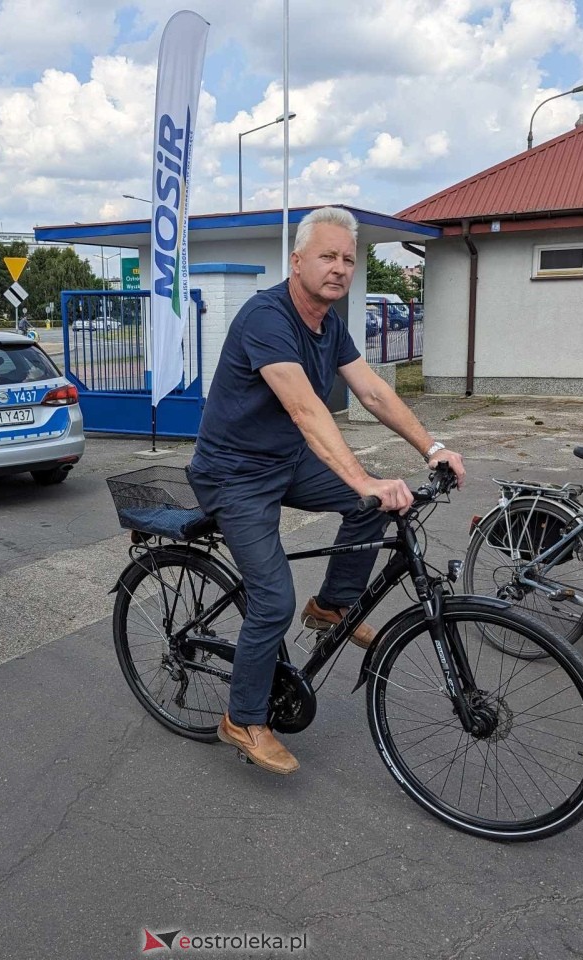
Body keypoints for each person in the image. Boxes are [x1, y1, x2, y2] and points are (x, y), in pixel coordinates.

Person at [187, 206, 466, 775]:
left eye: (347, 258)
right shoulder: (267, 317)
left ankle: (332, 606)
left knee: (372, 506)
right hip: (233, 473)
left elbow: (373, 393)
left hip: (283, 461)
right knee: (272, 599)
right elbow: (304, 408)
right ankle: (242, 718)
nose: (340, 268)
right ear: (296, 261)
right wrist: (361, 476)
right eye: (327, 256)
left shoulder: (329, 324)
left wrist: (432, 448)